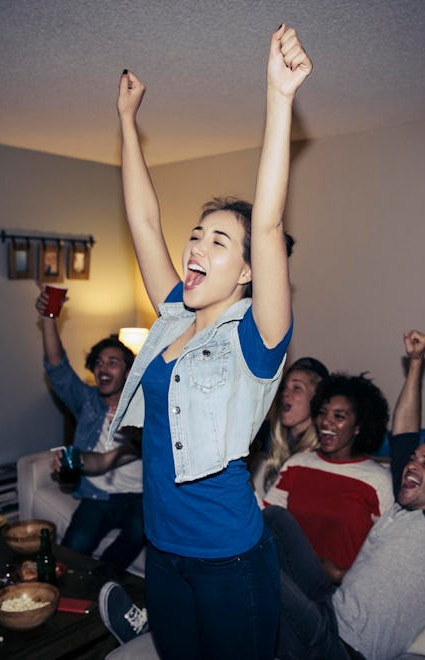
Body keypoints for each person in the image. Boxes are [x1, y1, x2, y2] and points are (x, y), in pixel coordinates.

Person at [99, 25, 312, 659]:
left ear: (246, 272)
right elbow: (141, 220)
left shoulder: (256, 338)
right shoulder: (170, 314)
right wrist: (126, 123)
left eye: (217, 242)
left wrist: (278, 99)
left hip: (229, 559)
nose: (195, 247)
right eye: (196, 235)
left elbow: (269, 224)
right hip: (162, 554)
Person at [264, 321, 425, 660]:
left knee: (252, 566)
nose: (412, 464)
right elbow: (404, 433)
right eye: (413, 459)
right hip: (327, 606)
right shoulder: (402, 504)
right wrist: (415, 364)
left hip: (341, 647)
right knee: (276, 519)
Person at [35, 287, 145, 573]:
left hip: (140, 496)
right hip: (96, 495)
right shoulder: (87, 401)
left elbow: (126, 453)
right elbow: (58, 367)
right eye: (98, 363)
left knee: (139, 530)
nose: (103, 368)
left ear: (128, 372)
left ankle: (101, 582)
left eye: (112, 362)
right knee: (73, 547)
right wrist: (49, 316)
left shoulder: (144, 409)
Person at [263, 372, 393, 584]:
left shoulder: (378, 481)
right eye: (322, 413)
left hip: (339, 595)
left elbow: (386, 552)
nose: (326, 422)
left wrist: (342, 575)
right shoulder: (298, 464)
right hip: (286, 582)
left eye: (339, 417)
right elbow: (268, 521)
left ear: (359, 426)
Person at [247, 355, 330, 498]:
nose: (285, 393)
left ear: (317, 398)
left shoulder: (325, 451)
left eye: (297, 388)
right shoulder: (265, 439)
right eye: (284, 387)